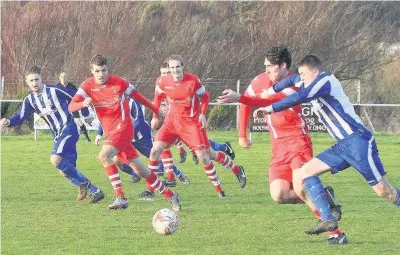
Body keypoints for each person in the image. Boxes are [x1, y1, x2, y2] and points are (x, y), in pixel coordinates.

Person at [220, 54, 400, 237]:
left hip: (358, 142)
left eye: (304, 74)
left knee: (385, 192)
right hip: (342, 146)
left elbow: (301, 96)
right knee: (306, 173)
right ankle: (328, 218)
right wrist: (271, 89)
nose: (301, 78)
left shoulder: (325, 81)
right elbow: (291, 79)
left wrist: (270, 106)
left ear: (315, 71)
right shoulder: (307, 79)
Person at [219, 46, 345, 244]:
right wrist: (242, 134)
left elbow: (269, 100)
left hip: (297, 142)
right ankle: (324, 195)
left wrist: (240, 97)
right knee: (279, 194)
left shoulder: (296, 84)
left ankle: (336, 234)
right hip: (278, 148)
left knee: (301, 187)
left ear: (283, 66)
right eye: (265, 66)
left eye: (270, 67)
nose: (266, 70)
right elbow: (246, 103)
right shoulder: (259, 80)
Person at [69, 54, 181, 211]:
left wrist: (156, 110)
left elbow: (140, 98)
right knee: (141, 171)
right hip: (111, 133)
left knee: (104, 156)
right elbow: (71, 107)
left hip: (124, 128)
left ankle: (121, 197)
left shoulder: (120, 83)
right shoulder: (87, 86)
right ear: (92, 72)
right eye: (97, 71)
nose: (101, 74)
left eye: (104, 70)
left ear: (108, 69)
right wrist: (82, 103)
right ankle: (170, 195)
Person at [0, 65, 104, 203]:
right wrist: (8, 122)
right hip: (57, 134)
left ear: (41, 78)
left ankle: (92, 188)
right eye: (31, 81)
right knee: (64, 170)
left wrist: (86, 114)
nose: (34, 83)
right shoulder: (29, 100)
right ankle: (85, 187)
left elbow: (77, 97)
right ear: (27, 82)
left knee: (55, 159)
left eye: (36, 79)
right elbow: (20, 116)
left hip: (70, 128)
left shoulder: (56, 91)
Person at [150, 55, 246, 199]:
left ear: (182, 67)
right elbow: (157, 98)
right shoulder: (162, 81)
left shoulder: (192, 80)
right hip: (171, 123)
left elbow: (205, 96)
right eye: (172, 68)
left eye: (177, 67)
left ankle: (224, 185)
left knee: (206, 155)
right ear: (168, 69)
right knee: (154, 151)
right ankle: (149, 191)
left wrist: (202, 114)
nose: (175, 70)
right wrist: (155, 116)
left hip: (191, 124)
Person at [95, 97, 190, 201]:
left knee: (154, 157)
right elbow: (105, 119)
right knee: (117, 161)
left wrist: (128, 132)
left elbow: (138, 120)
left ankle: (177, 173)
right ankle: (135, 175)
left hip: (140, 135)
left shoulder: (132, 100)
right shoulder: (110, 100)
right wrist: (99, 134)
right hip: (123, 136)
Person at [158, 63, 236, 164]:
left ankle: (224, 147)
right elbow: (161, 99)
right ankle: (171, 175)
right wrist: (161, 108)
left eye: (167, 72)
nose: (165, 75)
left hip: (191, 120)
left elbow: (203, 96)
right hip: (175, 120)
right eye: (162, 73)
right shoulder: (164, 84)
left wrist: (202, 114)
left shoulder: (187, 83)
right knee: (163, 145)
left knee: (207, 149)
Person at [58, 72, 91, 142]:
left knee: (78, 121)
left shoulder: (72, 86)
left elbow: (77, 96)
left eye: (65, 77)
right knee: (62, 123)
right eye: (62, 77)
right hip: (62, 108)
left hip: (72, 107)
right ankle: (60, 137)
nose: (64, 78)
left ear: (67, 78)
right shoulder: (57, 87)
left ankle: (87, 137)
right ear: (60, 78)